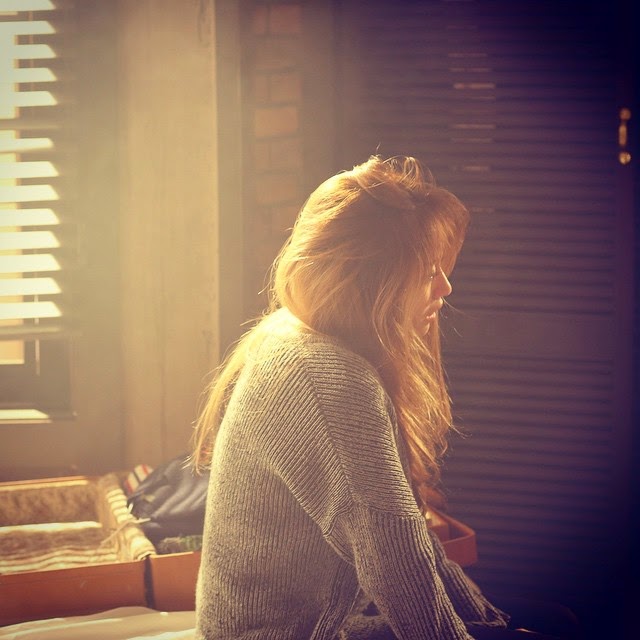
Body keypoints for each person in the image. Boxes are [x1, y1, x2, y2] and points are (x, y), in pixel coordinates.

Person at [190, 156, 578, 639]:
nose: (445, 287)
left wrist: (487, 621)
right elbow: (394, 558)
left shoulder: (298, 336)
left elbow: (410, 538)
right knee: (555, 625)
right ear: (374, 281)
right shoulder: (324, 374)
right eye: (428, 272)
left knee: (549, 620)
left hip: (322, 624)